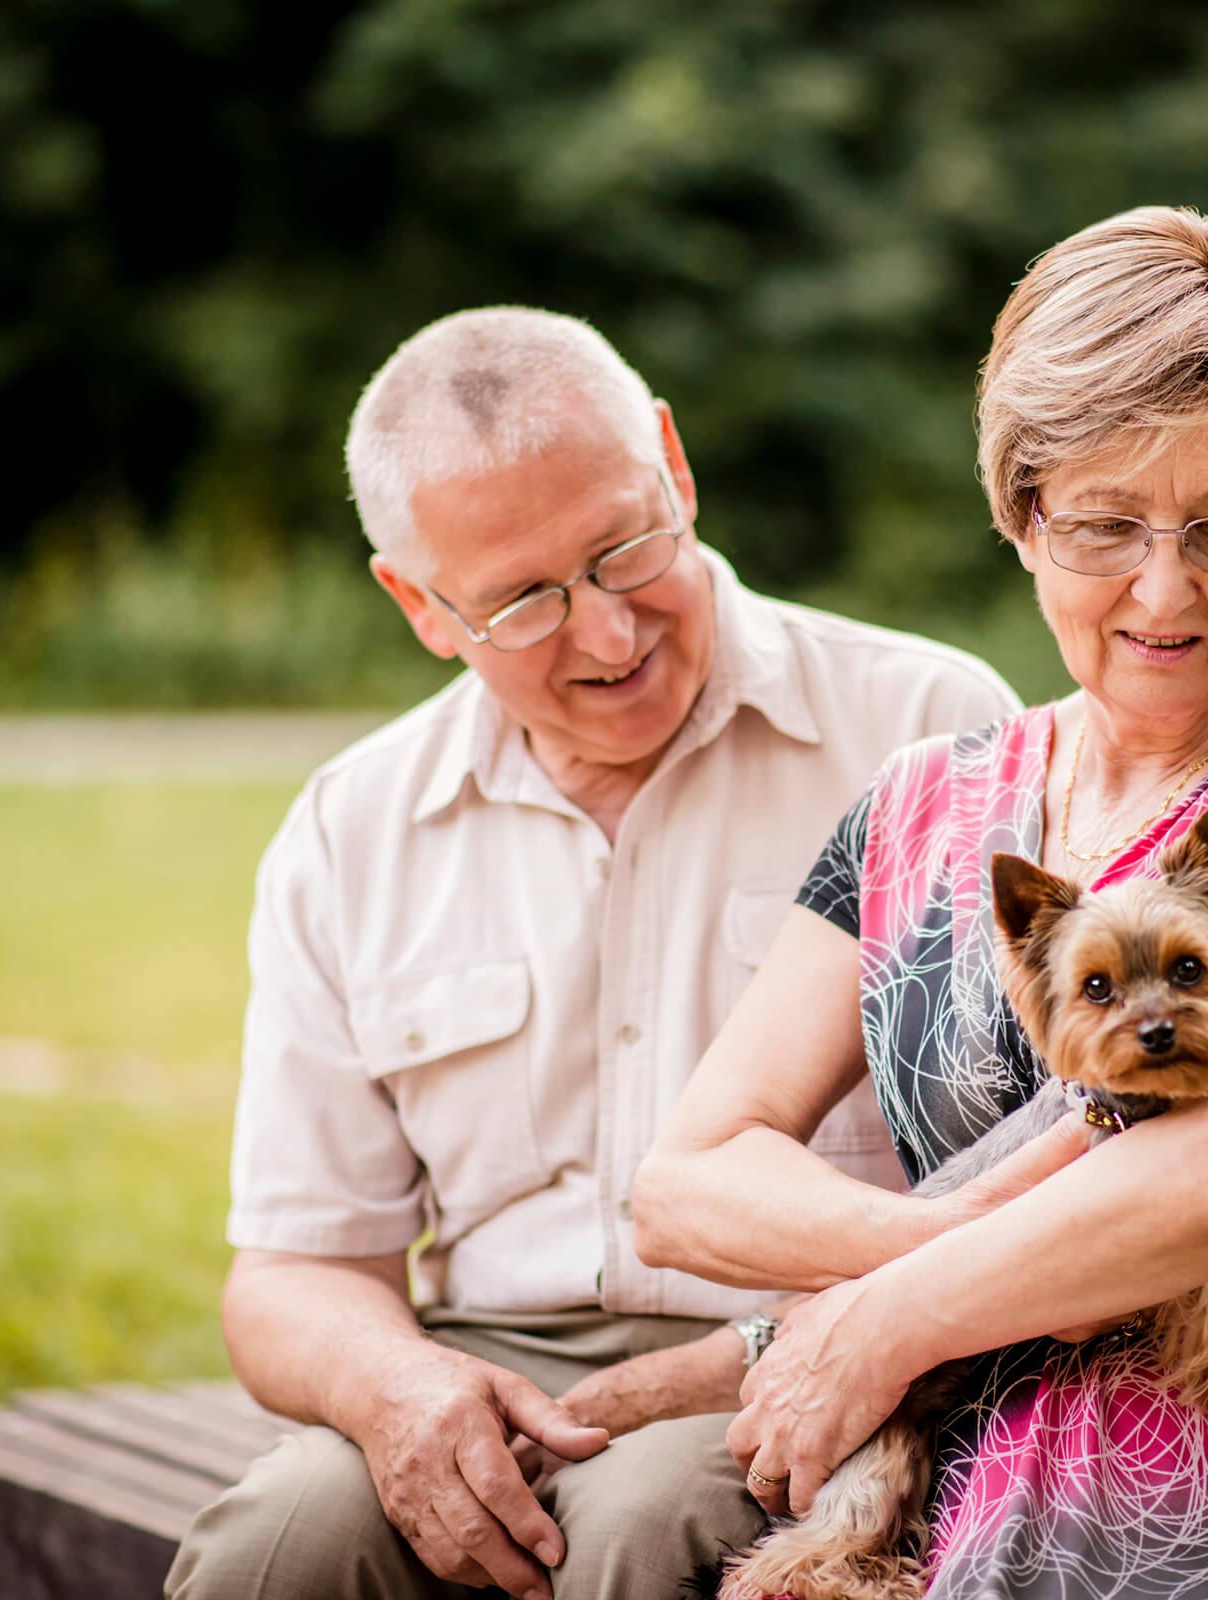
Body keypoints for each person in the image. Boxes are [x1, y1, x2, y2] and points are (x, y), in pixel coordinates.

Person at [634, 206, 1208, 1598]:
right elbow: (684, 1185)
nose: (1166, 592)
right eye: (1104, 526)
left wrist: (880, 1323)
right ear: (1019, 513)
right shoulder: (914, 806)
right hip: (943, 1487)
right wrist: (932, 1261)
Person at [164, 307, 1020, 1600]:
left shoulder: (924, 729)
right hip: (479, 1359)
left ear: (674, 466)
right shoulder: (353, 828)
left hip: (814, 1348)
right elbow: (293, 1273)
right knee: (271, 1552)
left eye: (626, 550)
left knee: (637, 1528)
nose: (610, 636)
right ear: (421, 605)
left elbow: (1042, 1162)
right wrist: (400, 1393)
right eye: (521, 602)